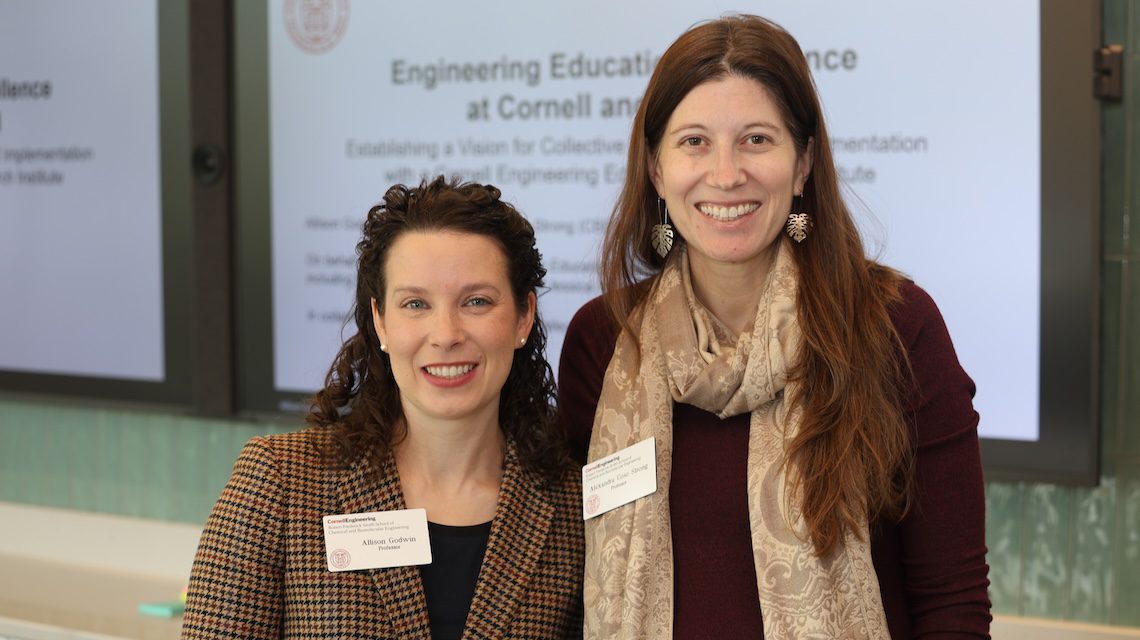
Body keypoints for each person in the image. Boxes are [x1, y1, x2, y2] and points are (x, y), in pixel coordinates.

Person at [558, 14, 991, 639]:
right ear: (656, 169)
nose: (727, 174)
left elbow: (952, 601)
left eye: (756, 140)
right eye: (694, 142)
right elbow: (572, 582)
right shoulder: (604, 338)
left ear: (803, 161)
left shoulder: (895, 326)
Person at [183, 177, 583, 639]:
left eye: (476, 301)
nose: (446, 333)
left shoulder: (570, 507)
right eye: (415, 303)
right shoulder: (280, 484)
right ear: (380, 322)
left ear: (523, 317)